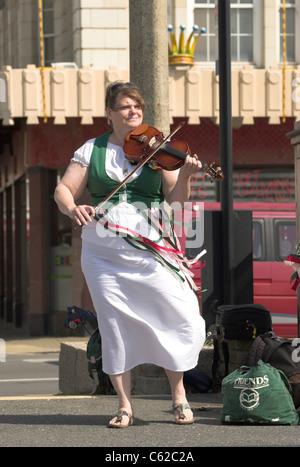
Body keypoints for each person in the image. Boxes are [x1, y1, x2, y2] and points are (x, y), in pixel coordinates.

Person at [54, 81, 206, 428]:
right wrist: (71, 208)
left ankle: (179, 396)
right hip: (103, 255)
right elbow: (63, 188)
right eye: (125, 107)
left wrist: (186, 176)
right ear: (110, 114)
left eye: (137, 106)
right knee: (114, 325)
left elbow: (176, 202)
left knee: (177, 314)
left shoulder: (158, 150)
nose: (133, 111)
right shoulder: (90, 150)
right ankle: (124, 405)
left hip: (151, 248)